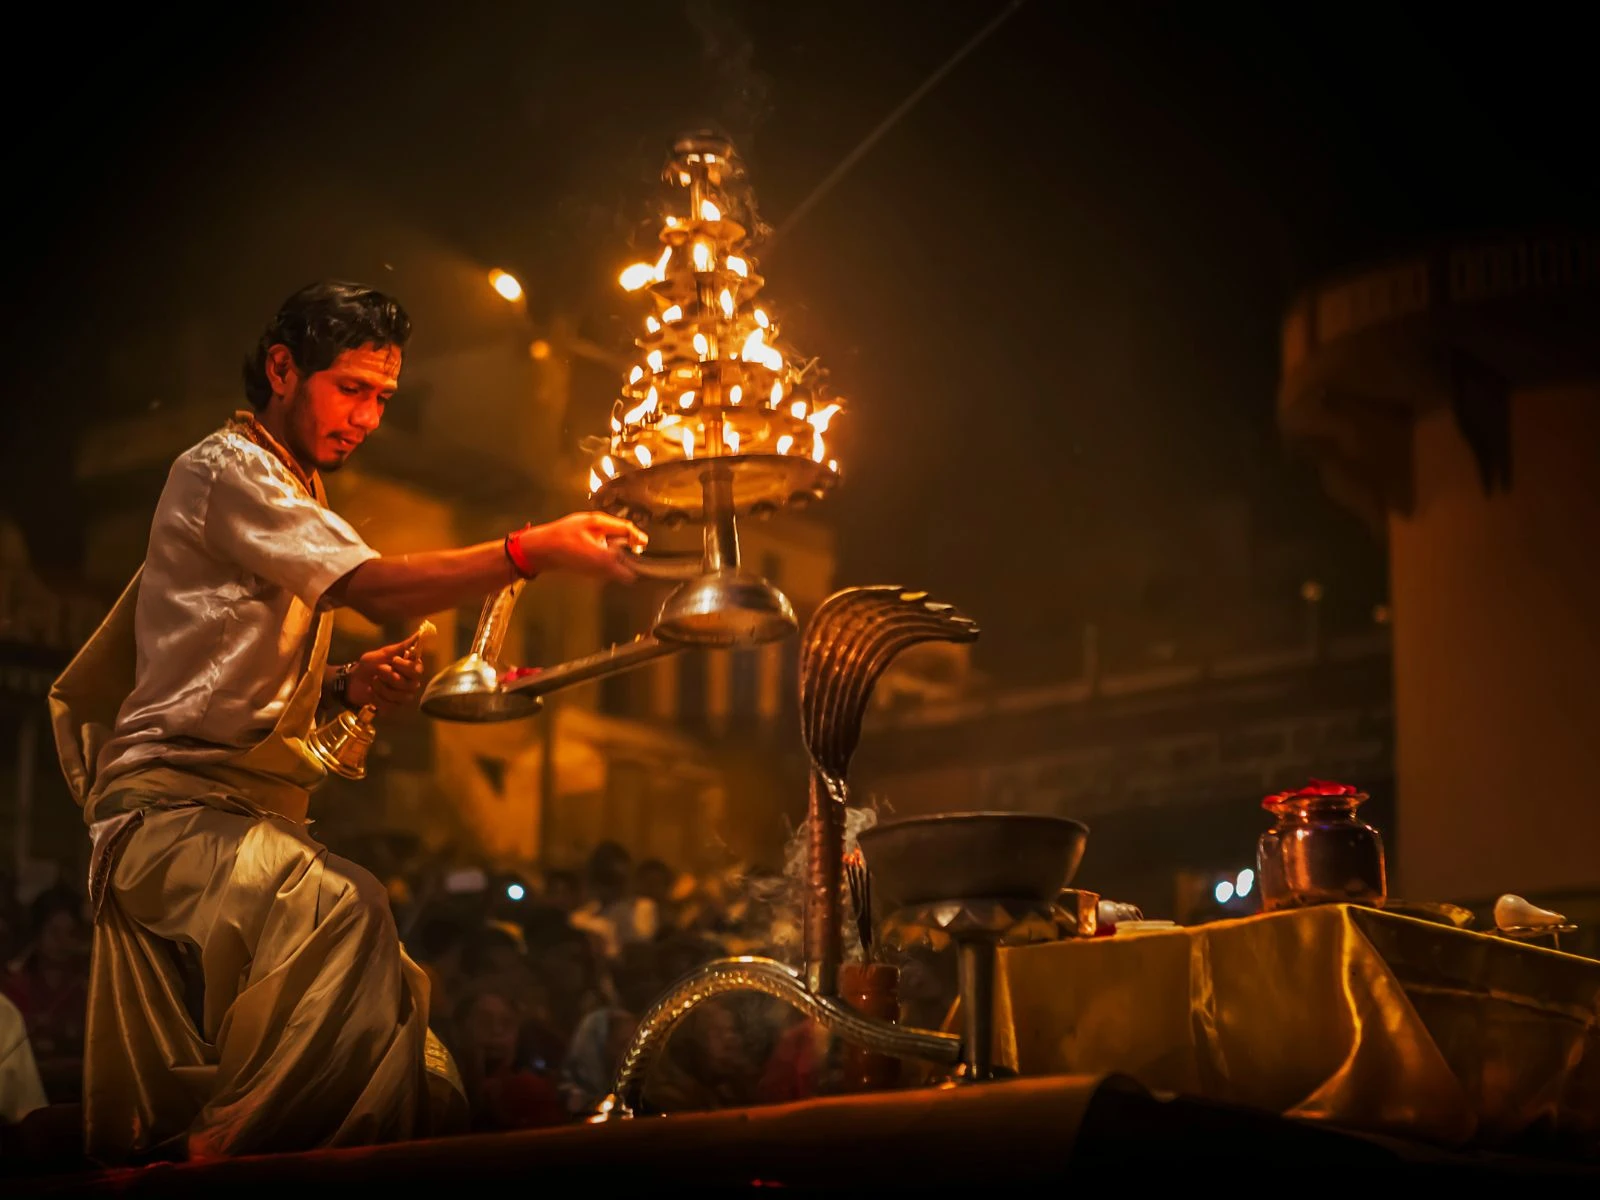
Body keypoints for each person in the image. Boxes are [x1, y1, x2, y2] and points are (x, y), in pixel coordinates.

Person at [48, 281, 647, 1163]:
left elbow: (216, 661)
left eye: (383, 398)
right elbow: (371, 586)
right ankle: (246, 1171)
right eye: (352, 389)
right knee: (345, 910)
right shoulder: (225, 467)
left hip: (237, 811)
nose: (367, 417)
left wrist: (345, 683)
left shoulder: (297, 485)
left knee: (389, 991)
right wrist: (526, 552)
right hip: (168, 816)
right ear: (284, 370)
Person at [0, 885, 89, 1104]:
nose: (61, 942)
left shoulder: (87, 989)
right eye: (53, 932)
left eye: (69, 933)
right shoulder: (13, 988)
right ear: (37, 934)